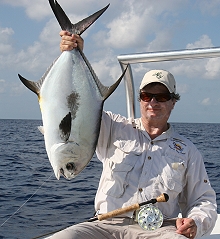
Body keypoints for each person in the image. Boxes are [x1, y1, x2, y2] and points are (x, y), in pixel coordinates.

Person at [51, 31, 217, 239]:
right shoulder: (111, 127)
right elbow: (79, 107)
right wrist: (73, 52)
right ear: (140, 100)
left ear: (173, 102)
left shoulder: (187, 151)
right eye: (147, 96)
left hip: (159, 229)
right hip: (104, 225)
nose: (153, 103)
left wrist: (197, 222)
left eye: (162, 97)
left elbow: (203, 200)